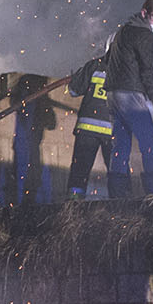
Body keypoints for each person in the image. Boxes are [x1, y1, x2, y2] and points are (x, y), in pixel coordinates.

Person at [103, 0, 153, 197]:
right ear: (144, 13)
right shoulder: (144, 33)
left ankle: (117, 196)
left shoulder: (122, 32)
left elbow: (108, 60)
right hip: (130, 95)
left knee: (120, 145)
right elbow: (146, 70)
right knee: (149, 143)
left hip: (112, 95)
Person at [65, 52, 114, 199]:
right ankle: (121, 204)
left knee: (79, 171)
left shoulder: (94, 65)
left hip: (87, 128)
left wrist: (76, 77)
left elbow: (73, 90)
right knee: (117, 172)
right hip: (113, 131)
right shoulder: (127, 68)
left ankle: (73, 205)